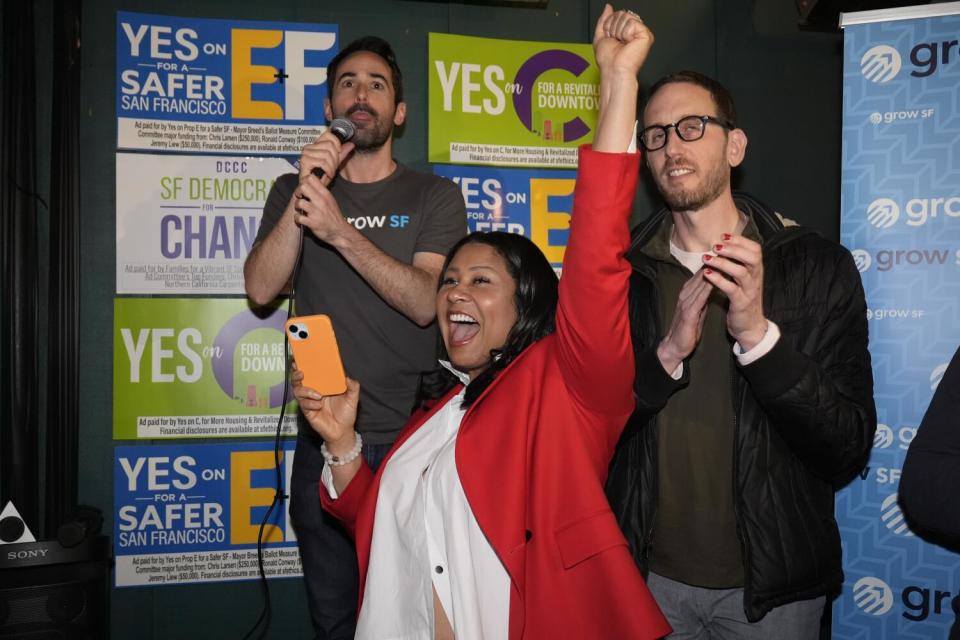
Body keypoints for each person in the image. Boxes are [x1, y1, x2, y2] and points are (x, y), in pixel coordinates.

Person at [290, 7, 671, 639]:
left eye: (480, 280)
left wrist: (619, 82)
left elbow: (598, 254)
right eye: (448, 282)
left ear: (526, 305)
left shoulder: (566, 387)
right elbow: (382, 520)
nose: (453, 294)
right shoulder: (435, 415)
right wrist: (340, 443)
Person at [604, 69, 877, 638]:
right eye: (655, 134)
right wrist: (665, 357)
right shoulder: (623, 274)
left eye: (691, 127)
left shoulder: (815, 267)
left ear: (735, 144)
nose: (671, 145)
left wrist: (756, 335)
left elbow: (845, 446)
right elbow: (595, 431)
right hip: (647, 581)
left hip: (773, 594)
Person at [243, 36, 466, 639]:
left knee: (417, 615)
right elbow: (262, 289)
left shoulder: (433, 195)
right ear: (329, 107)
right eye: (347, 83)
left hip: (415, 446)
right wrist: (308, 189)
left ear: (399, 111)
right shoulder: (295, 192)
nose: (360, 94)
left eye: (376, 84)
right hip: (323, 438)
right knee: (336, 619)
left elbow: (427, 303)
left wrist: (340, 232)